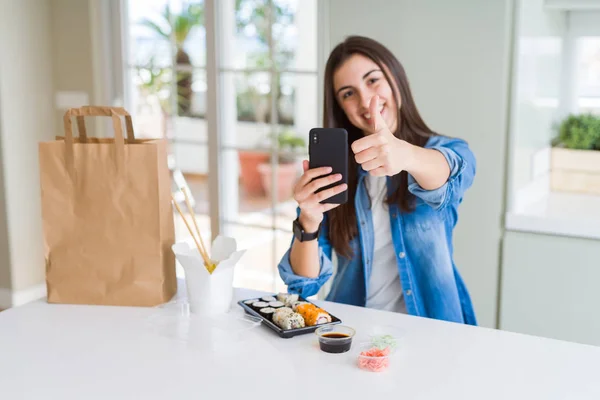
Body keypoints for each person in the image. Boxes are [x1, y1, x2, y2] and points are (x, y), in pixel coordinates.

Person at [277, 35, 477, 325]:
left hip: (434, 333)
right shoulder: (335, 174)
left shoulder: (444, 151)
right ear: (340, 106)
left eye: (373, 80)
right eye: (348, 93)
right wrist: (308, 220)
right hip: (352, 334)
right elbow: (304, 287)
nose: (365, 101)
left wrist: (404, 155)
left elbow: (452, 172)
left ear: (395, 78)